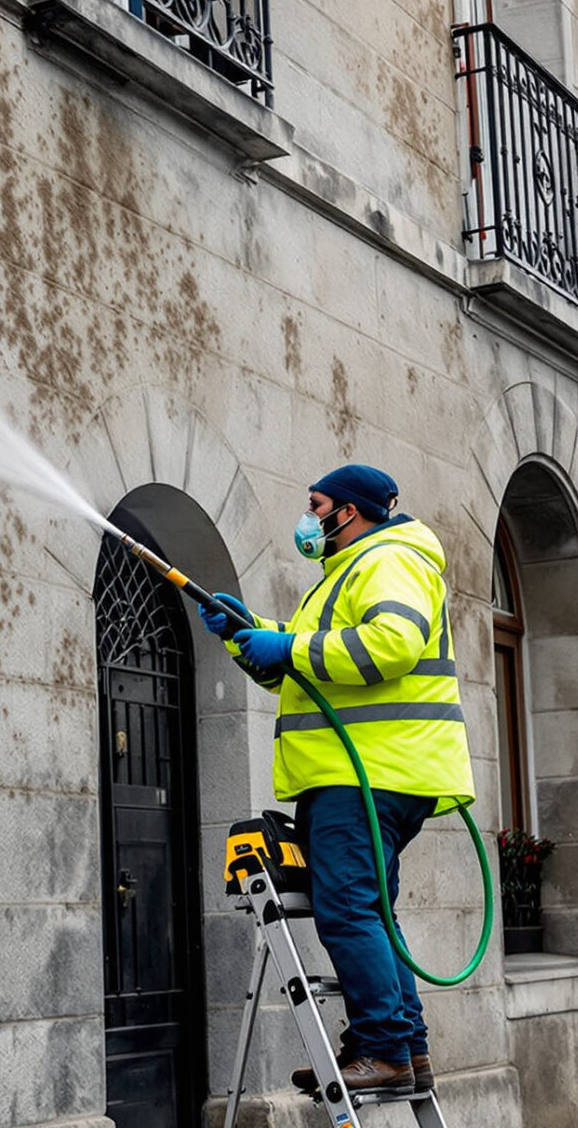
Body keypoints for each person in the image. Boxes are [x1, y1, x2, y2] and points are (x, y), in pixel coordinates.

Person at [199, 464, 474, 1095]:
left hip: (366, 774)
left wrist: (288, 648)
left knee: (347, 909)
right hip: (372, 772)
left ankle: (383, 1049)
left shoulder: (386, 559)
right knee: (371, 911)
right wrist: (249, 633)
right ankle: (406, 1047)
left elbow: (391, 645)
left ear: (348, 511)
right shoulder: (346, 573)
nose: (309, 516)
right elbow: (302, 667)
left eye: (316, 505)